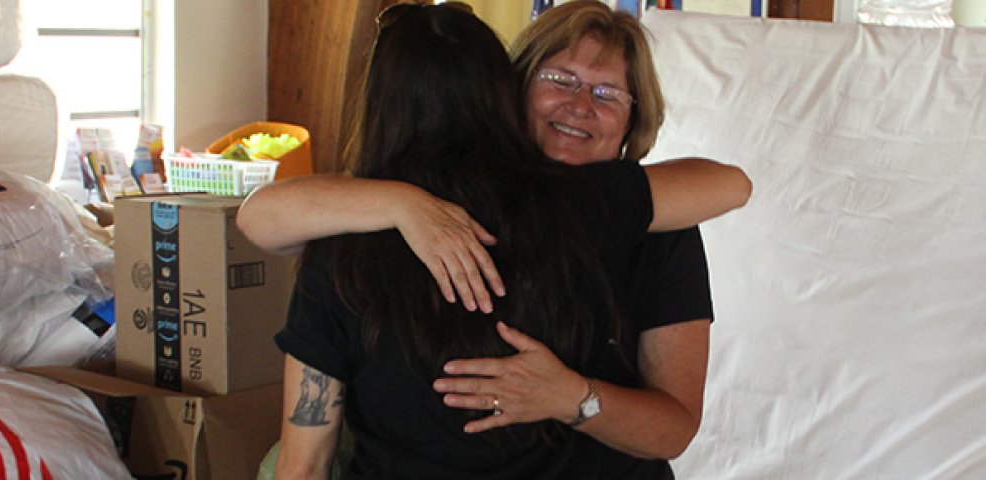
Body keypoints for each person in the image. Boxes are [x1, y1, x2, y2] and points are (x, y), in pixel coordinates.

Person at [248, 3, 749, 479]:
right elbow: (261, 215)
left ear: (634, 119)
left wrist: (574, 398)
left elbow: (672, 429)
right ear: (509, 89)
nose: (578, 106)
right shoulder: (351, 224)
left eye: (606, 94)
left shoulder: (641, 216)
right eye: (560, 80)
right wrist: (402, 204)